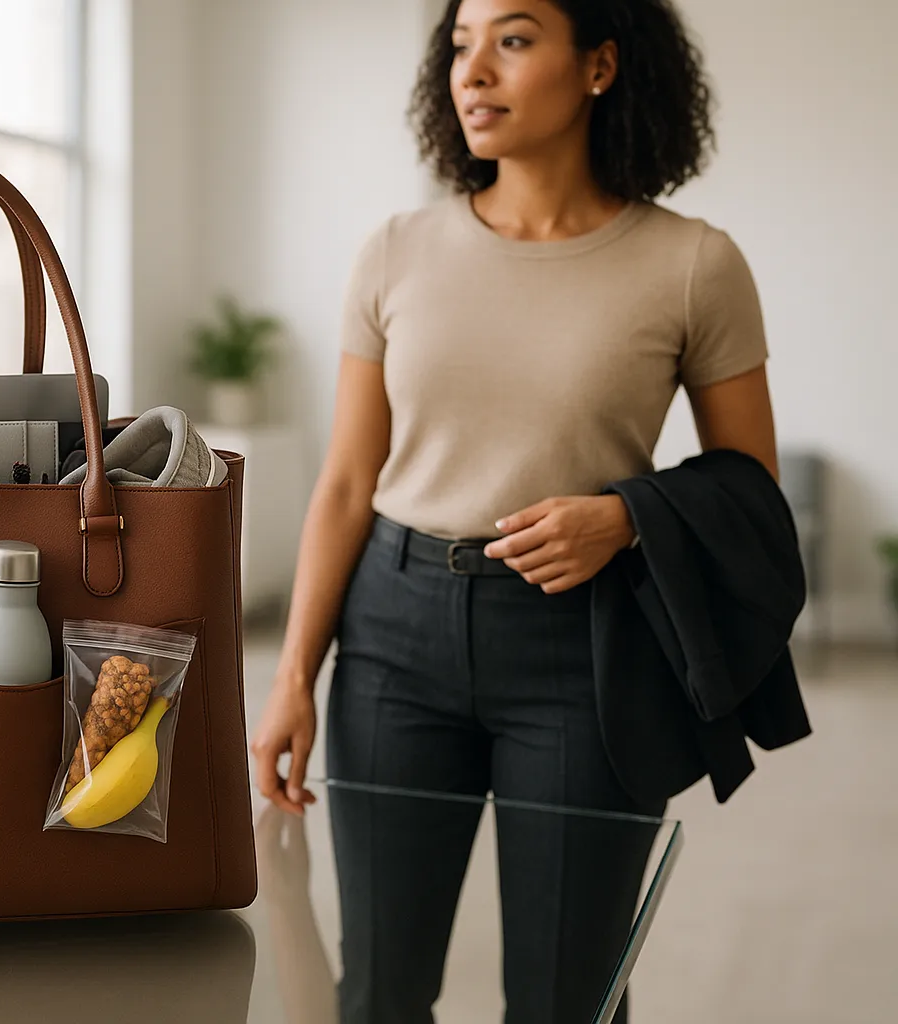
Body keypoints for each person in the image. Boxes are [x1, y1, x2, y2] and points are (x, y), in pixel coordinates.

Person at [248, 0, 780, 1020]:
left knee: (565, 1001)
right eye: (459, 45)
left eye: (516, 39)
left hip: (586, 649)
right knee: (379, 997)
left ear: (600, 67)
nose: (473, 70)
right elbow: (348, 483)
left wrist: (625, 516)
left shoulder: (693, 265)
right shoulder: (396, 250)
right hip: (392, 641)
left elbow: (749, 489)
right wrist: (291, 679)